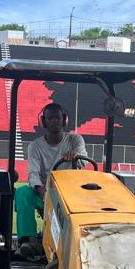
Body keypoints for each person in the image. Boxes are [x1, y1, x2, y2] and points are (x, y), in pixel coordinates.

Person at [15, 102, 88, 257]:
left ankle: (83, 238)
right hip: (45, 190)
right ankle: (29, 241)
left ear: (64, 120)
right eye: (50, 118)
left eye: (57, 117)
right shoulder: (35, 146)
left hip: (70, 192)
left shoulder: (75, 140)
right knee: (22, 193)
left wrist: (76, 157)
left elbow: (84, 161)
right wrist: (44, 193)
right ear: (44, 121)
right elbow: (33, 173)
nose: (54, 120)